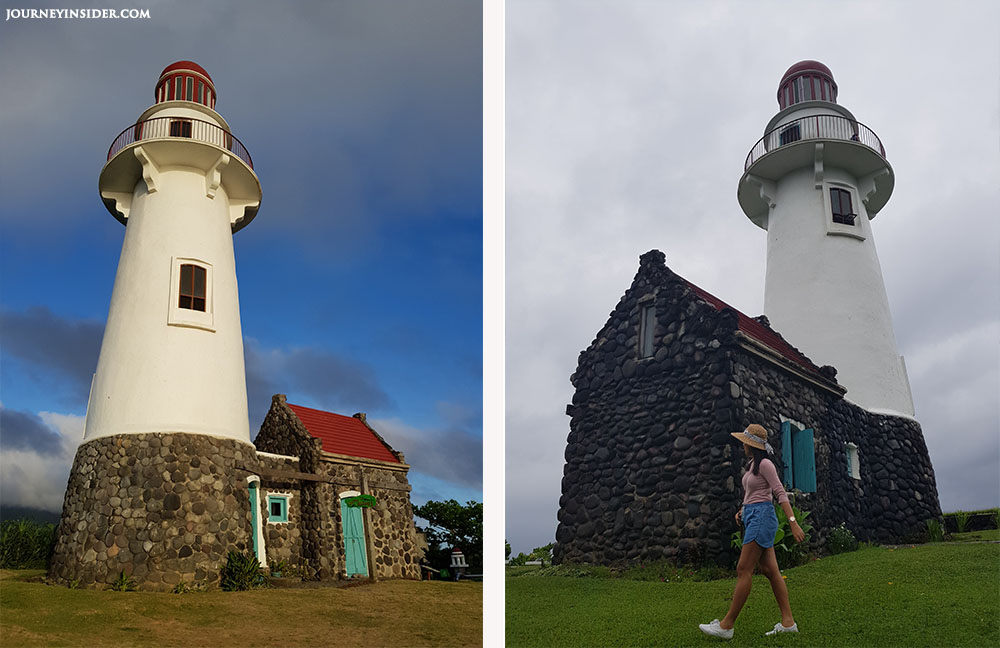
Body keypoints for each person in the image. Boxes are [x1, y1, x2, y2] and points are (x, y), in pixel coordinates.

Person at [699, 424, 806, 640]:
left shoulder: (765, 464)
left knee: (743, 568)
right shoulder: (752, 465)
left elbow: (779, 492)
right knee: (770, 571)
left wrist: (793, 522)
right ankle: (788, 623)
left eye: (745, 442)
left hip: (762, 518)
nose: (743, 445)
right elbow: (753, 494)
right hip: (752, 515)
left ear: (752, 444)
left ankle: (726, 625)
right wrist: (742, 511)